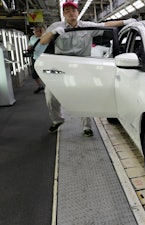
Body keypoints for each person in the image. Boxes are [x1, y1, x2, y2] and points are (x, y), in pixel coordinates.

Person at [39, 0, 136, 137]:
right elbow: (43, 41)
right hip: (61, 65)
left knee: (82, 95)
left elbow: (105, 25)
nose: (71, 13)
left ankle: (87, 127)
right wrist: (53, 32)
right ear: (63, 14)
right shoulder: (56, 26)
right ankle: (57, 120)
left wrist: (125, 22)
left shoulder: (87, 26)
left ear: (77, 13)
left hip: (81, 66)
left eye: (73, 10)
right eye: (67, 11)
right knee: (50, 95)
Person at [28, 23, 47, 93]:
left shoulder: (45, 37)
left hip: (44, 58)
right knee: (34, 74)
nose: (34, 32)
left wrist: (43, 34)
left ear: (41, 31)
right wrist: (29, 47)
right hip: (35, 57)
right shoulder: (32, 38)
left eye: (36, 31)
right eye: (34, 31)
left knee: (45, 73)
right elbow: (30, 45)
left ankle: (48, 87)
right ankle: (40, 86)